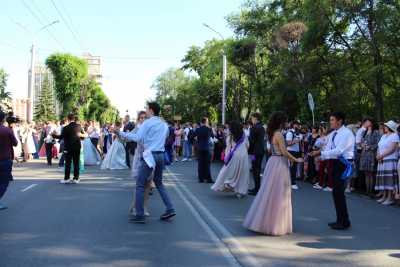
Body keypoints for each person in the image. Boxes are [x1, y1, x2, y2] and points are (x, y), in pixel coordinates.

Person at [243, 111, 303, 236]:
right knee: (279, 193)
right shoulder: (279, 134)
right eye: (286, 121)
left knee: (269, 191)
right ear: (281, 122)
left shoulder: (272, 133)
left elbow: (272, 149)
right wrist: (296, 159)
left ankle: (264, 220)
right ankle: (275, 222)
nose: (287, 123)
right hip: (279, 163)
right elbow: (284, 152)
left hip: (273, 162)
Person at [116, 102, 175, 224]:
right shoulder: (164, 124)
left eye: (147, 109)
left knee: (140, 184)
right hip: (160, 155)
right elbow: (166, 138)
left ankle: (139, 214)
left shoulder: (148, 123)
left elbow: (137, 138)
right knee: (159, 183)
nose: (146, 111)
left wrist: (119, 133)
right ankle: (170, 208)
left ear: (152, 110)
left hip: (150, 156)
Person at [309, 112, 355, 230]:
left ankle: (344, 221)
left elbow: (339, 150)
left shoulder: (347, 134)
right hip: (334, 163)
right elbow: (327, 146)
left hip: (343, 164)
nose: (331, 122)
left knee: (339, 192)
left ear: (339, 121)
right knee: (336, 192)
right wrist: (318, 152)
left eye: (332, 120)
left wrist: (321, 153)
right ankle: (340, 219)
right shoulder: (333, 133)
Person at [211, 122, 250, 198]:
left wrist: (226, 157)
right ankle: (241, 191)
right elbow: (247, 146)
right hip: (244, 155)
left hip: (234, 155)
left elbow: (228, 148)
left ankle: (228, 183)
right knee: (242, 174)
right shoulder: (244, 136)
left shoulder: (230, 137)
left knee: (227, 171)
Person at [52, 114, 85, 184]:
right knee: (76, 163)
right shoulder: (79, 126)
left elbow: (60, 137)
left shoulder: (66, 127)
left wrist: (53, 135)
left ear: (68, 119)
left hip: (68, 148)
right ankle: (76, 178)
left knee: (68, 163)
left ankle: (67, 178)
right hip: (77, 147)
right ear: (74, 118)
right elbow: (83, 137)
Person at [375, 120, 399, 205]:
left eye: (386, 126)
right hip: (382, 160)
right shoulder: (383, 136)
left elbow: (392, 149)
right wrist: (378, 155)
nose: (384, 127)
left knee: (389, 180)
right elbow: (379, 147)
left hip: (390, 160)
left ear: (390, 128)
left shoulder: (394, 135)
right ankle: (384, 196)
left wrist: (381, 156)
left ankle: (390, 198)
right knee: (383, 179)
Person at [0, 111, 18, 210]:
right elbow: (15, 143)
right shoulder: (7, 130)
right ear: (3, 119)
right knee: (4, 182)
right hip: (5, 159)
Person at [359, 118, 380, 196]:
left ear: (371, 123)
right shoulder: (364, 132)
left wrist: (370, 147)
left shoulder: (376, 132)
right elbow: (360, 142)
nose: (366, 123)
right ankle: (367, 190)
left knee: (370, 173)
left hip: (371, 154)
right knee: (366, 173)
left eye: (368, 121)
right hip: (364, 154)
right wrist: (362, 145)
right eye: (365, 122)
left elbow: (378, 143)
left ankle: (371, 191)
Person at [248, 113, 265, 195]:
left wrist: (248, 150)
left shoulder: (254, 128)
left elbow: (251, 141)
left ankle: (256, 189)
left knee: (255, 169)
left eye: (252, 118)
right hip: (261, 151)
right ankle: (257, 188)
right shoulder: (262, 127)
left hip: (254, 152)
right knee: (257, 169)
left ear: (256, 118)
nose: (251, 120)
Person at [195, 117, 214, 183]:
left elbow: (192, 136)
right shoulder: (209, 129)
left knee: (200, 164)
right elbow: (213, 136)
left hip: (199, 147)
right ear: (206, 122)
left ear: (201, 122)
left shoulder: (198, 129)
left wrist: (197, 142)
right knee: (207, 164)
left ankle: (201, 179)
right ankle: (208, 178)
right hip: (207, 148)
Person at [286, 120, 302, 190]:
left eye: (298, 125)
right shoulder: (290, 133)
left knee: (294, 167)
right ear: (293, 125)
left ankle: (292, 181)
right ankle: (292, 183)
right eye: (297, 125)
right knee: (292, 167)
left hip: (296, 152)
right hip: (291, 151)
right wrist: (296, 140)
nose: (298, 126)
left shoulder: (297, 133)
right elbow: (288, 143)